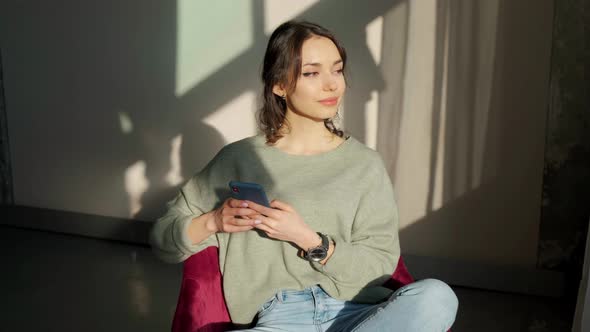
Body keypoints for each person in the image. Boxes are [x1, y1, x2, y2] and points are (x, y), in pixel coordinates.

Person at [150, 20, 458, 331]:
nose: (332, 84)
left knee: (438, 297)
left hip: (360, 313)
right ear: (278, 85)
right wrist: (213, 221)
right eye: (311, 73)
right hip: (280, 319)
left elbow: (379, 267)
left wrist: (310, 240)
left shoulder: (365, 165)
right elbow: (163, 239)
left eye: (336, 70)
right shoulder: (238, 158)